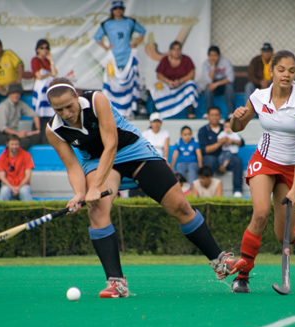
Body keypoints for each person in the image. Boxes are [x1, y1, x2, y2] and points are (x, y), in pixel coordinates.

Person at [45, 77, 245, 298]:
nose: (66, 113)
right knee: (98, 210)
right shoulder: (54, 129)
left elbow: (111, 145)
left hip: (132, 150)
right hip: (95, 161)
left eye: (69, 106)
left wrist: (96, 186)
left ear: (77, 97)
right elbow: (72, 166)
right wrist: (79, 193)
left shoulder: (96, 100)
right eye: (58, 109)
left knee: (180, 206)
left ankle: (220, 262)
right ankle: (116, 283)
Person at [229, 50, 295, 293]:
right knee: (260, 213)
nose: (286, 75)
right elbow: (238, 127)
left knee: (284, 236)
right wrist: (235, 119)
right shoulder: (258, 97)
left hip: (289, 170)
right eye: (281, 69)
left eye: (291, 70)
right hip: (263, 162)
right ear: (271, 71)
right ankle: (243, 276)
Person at [94, 1, 146, 118]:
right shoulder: (107, 23)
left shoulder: (129, 22)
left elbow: (142, 31)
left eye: (120, 8)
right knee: (113, 83)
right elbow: (97, 37)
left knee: (129, 83)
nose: (118, 11)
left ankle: (129, 110)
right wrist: (106, 47)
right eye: (116, 8)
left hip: (127, 56)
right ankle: (113, 110)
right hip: (114, 58)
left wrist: (136, 43)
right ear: (112, 10)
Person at [198, 106, 244, 198]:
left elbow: (242, 142)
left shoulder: (226, 127)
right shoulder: (203, 130)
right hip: (212, 157)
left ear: (220, 116)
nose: (214, 117)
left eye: (216, 115)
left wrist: (232, 141)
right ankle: (208, 190)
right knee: (209, 160)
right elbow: (205, 150)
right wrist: (219, 143)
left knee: (237, 161)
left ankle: (237, 191)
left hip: (227, 156)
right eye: (212, 115)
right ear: (208, 116)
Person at [151, 41, 199, 119]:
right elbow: (159, 75)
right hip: (168, 85)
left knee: (191, 85)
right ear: (170, 51)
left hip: (182, 85)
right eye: (174, 50)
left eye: (178, 50)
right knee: (157, 86)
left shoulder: (186, 59)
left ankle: (190, 112)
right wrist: (168, 81)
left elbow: (192, 74)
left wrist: (180, 81)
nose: (176, 52)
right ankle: (157, 113)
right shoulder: (165, 60)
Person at [0, 83, 41, 151]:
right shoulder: (3, 106)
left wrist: (37, 130)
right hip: (3, 135)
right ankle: (15, 156)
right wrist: (18, 134)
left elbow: (34, 115)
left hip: (15, 134)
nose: (16, 95)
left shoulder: (20, 104)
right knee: (25, 141)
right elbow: (3, 128)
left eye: (18, 93)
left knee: (37, 137)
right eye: (13, 93)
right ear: (9, 94)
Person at [31, 39, 57, 144]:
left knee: (47, 115)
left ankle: (46, 139)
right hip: (39, 93)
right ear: (37, 49)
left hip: (47, 93)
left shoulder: (47, 61)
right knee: (38, 114)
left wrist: (51, 61)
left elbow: (54, 73)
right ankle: (37, 137)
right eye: (42, 48)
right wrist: (49, 74)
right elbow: (39, 76)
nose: (44, 50)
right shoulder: (35, 60)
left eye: (46, 48)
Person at [0, 135, 35, 201]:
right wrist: (12, 187)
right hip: (8, 186)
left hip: (23, 185)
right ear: (7, 144)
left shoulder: (26, 155)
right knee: (4, 190)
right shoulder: (2, 157)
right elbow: (2, 177)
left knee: (24, 191)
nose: (14, 146)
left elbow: (28, 176)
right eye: (12, 144)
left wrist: (18, 187)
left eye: (16, 144)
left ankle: (29, 211)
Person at [203, 46, 236, 117]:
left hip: (224, 84)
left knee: (229, 86)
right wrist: (213, 66)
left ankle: (231, 112)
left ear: (219, 55)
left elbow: (230, 79)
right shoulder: (205, 64)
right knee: (208, 88)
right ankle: (208, 112)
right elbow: (209, 80)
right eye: (211, 56)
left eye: (215, 55)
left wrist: (216, 84)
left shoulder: (225, 62)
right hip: (214, 85)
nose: (213, 58)